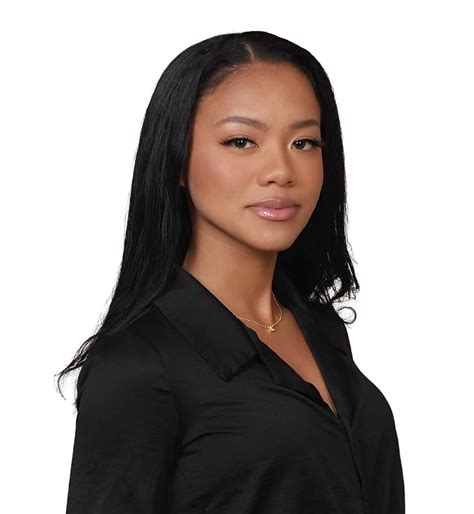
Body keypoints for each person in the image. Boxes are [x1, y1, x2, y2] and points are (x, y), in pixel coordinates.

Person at [56, 30, 405, 513]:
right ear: (177, 159)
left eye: (304, 142)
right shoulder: (137, 366)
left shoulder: (319, 328)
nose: (281, 170)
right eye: (241, 141)